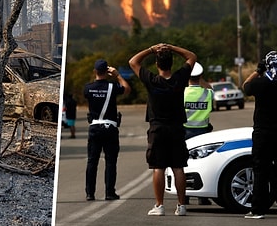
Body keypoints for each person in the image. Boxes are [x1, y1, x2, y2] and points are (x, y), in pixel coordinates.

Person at [129, 43, 196, 216]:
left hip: (157, 128)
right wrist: (172, 48)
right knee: (178, 167)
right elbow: (191, 57)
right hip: (176, 128)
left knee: (158, 167)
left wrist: (151, 49)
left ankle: (159, 205)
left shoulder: (151, 80)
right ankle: (181, 206)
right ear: (172, 64)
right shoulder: (179, 79)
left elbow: (133, 62)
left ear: (157, 65)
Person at [242, 50, 277, 220]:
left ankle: (258, 209)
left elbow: (245, 86)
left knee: (261, 170)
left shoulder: (260, 83)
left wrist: (258, 71)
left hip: (263, 133)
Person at [83, 59, 131, 201]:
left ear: (95, 71)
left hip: (94, 127)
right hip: (110, 127)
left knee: (92, 161)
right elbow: (127, 89)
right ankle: (110, 192)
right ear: (107, 71)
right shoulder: (112, 86)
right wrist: (118, 75)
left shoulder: (88, 88)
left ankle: (90, 193)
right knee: (110, 161)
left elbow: (88, 95)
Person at [183, 62, 214, 140]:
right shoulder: (208, 93)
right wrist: (200, 79)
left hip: (185, 130)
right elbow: (210, 88)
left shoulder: (181, 93)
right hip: (203, 131)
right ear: (201, 76)